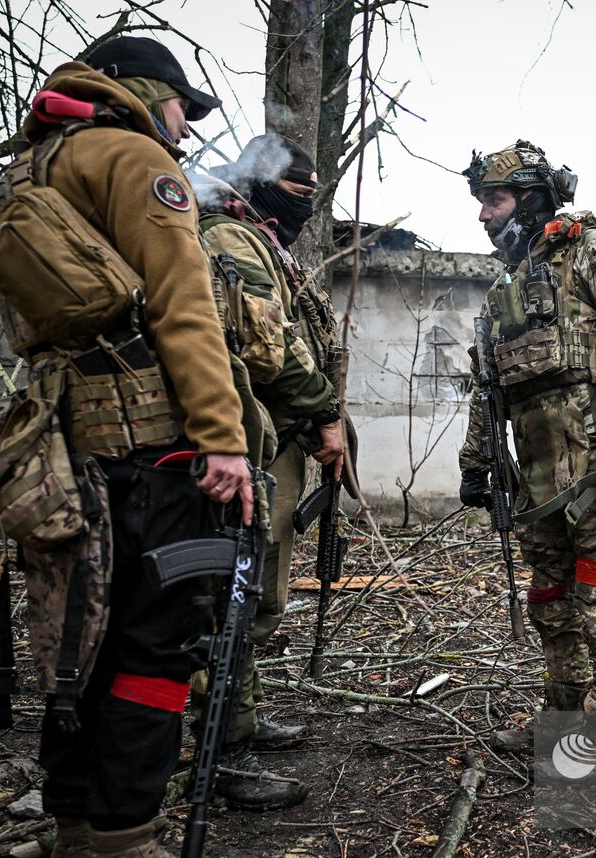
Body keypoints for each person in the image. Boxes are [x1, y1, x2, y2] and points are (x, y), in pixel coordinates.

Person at [0, 35, 251, 858]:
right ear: (138, 91)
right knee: (156, 650)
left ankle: (74, 842)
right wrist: (224, 437)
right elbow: (184, 303)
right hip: (152, 451)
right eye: (180, 106)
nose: (185, 128)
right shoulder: (134, 159)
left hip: (66, 451)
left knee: (79, 650)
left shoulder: (27, 171)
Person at [457, 141, 596, 763]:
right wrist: (477, 464)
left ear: (530, 198)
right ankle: (562, 722)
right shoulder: (504, 289)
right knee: (551, 600)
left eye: (493, 200)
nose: (483, 215)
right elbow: (488, 384)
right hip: (538, 475)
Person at [191, 134, 345, 808]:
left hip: (270, 438)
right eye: (295, 189)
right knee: (236, 596)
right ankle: (222, 753)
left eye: (312, 193)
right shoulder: (228, 236)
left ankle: (242, 721)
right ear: (256, 180)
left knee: (259, 593)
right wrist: (324, 412)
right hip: (241, 442)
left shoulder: (261, 240)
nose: (305, 204)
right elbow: (268, 347)